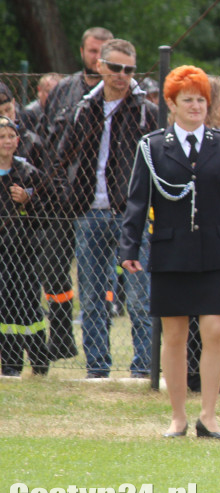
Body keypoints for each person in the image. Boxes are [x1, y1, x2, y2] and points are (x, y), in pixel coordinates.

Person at [119, 66, 220, 438]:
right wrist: (129, 247)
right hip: (170, 250)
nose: (196, 106)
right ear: (171, 104)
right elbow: (137, 200)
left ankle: (208, 417)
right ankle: (178, 417)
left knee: (214, 331)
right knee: (174, 336)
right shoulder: (151, 146)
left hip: (216, 250)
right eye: (188, 100)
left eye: (201, 99)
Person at [57, 38, 157, 378]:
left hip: (131, 215)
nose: (121, 75)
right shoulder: (84, 108)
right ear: (100, 65)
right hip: (88, 212)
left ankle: (143, 367)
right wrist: (69, 199)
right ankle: (97, 367)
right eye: (115, 68)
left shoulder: (145, 111)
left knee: (140, 296)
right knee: (92, 295)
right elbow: (62, 158)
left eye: (129, 70)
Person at [42, 26, 113, 361]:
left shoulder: (118, 95)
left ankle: (99, 344)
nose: (97, 57)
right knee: (54, 268)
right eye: (92, 51)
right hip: (62, 198)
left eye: (103, 52)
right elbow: (46, 139)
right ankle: (61, 337)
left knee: (97, 276)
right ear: (82, 51)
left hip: (99, 202)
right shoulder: (65, 91)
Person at [0, 115, 50, 376]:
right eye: (2, 137)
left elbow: (48, 211)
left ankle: (40, 362)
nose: (7, 141)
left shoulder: (28, 173)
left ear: (18, 141)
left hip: (25, 251)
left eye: (11, 136)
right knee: (5, 307)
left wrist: (27, 200)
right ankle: (10, 364)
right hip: (2, 255)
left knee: (30, 305)